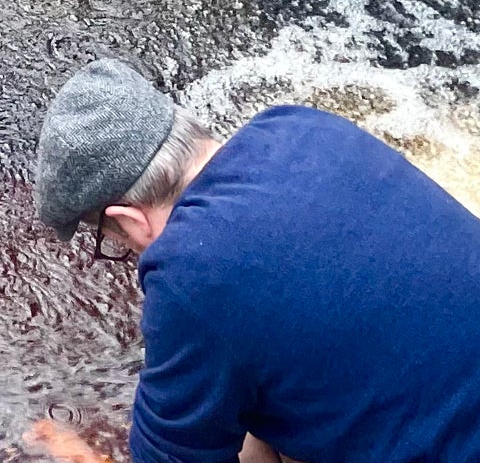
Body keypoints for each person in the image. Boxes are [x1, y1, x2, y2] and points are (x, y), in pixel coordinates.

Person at [32, 59, 480, 463]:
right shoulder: (299, 125)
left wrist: (80, 453)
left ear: (129, 220)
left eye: (114, 242)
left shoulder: (191, 274)